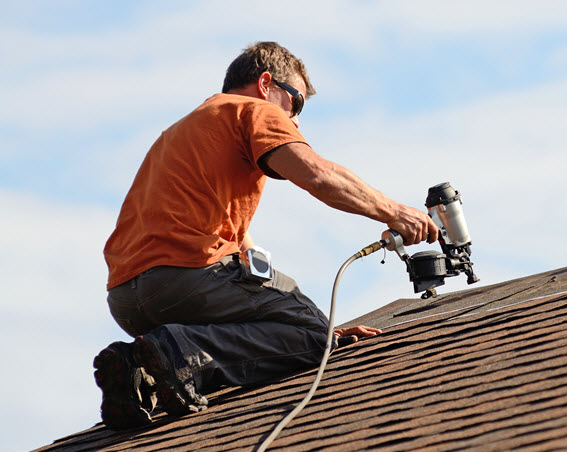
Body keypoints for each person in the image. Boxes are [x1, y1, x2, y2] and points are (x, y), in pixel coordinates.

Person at [93, 41, 438, 430]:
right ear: (265, 83)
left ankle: (141, 372)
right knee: (315, 339)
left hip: (126, 299)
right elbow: (318, 175)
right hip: (186, 277)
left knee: (298, 322)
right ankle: (179, 352)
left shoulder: (182, 131)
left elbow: (240, 250)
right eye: (296, 103)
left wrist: (301, 321)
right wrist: (396, 213)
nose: (295, 119)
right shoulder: (252, 110)